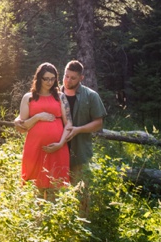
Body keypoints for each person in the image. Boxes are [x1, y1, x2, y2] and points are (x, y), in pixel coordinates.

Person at [16, 60, 106, 214]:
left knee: (72, 189)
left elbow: (93, 123)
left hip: (72, 148)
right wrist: (31, 118)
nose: (68, 80)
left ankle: (80, 223)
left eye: (73, 78)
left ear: (81, 78)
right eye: (66, 76)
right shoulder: (39, 96)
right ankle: (42, 223)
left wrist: (67, 137)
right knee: (40, 188)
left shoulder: (83, 96)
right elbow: (24, 121)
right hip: (41, 148)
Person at [19, 62, 72, 197]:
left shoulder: (60, 97)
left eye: (52, 79)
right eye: (46, 79)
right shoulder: (28, 97)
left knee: (56, 187)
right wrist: (37, 117)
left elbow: (69, 124)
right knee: (34, 185)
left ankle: (54, 216)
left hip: (57, 147)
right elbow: (22, 125)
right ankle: (37, 215)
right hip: (35, 146)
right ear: (39, 78)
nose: (49, 82)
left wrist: (60, 143)